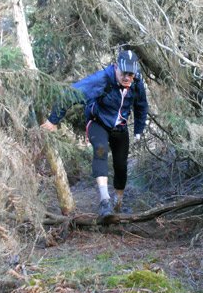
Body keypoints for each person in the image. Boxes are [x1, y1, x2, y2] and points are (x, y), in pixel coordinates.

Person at [41, 50, 149, 217]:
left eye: (130, 74)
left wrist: (139, 130)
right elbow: (70, 94)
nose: (127, 77)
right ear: (116, 67)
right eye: (123, 73)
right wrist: (52, 120)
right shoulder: (102, 79)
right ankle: (104, 200)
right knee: (100, 149)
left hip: (120, 127)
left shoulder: (136, 82)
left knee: (121, 166)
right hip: (97, 122)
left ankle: (118, 203)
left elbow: (141, 105)